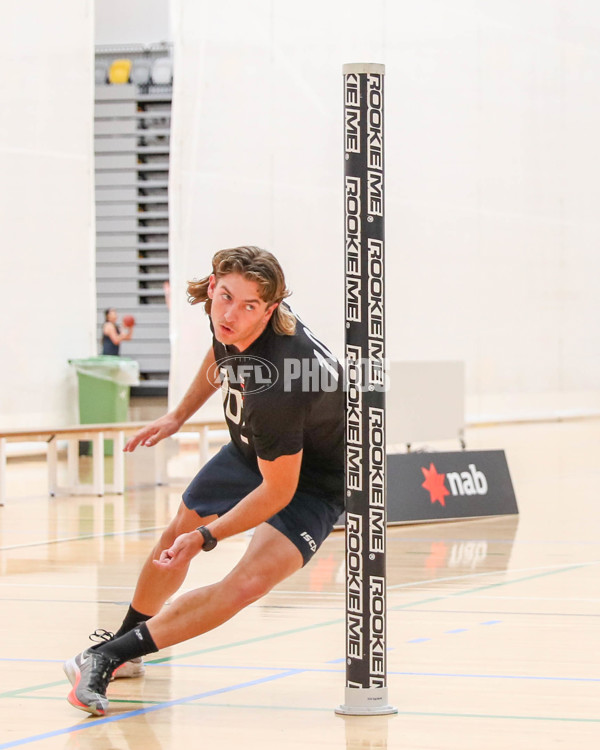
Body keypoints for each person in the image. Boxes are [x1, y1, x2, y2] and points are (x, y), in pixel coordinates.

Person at [64, 245, 344, 716]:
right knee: (176, 531)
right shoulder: (234, 312)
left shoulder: (279, 383)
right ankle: (124, 647)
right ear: (213, 285)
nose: (230, 314)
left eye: (248, 306)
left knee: (244, 584)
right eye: (225, 297)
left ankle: (106, 658)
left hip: (314, 476)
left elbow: (279, 491)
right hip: (251, 447)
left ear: (271, 309)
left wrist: (207, 537)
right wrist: (177, 416)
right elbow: (220, 357)